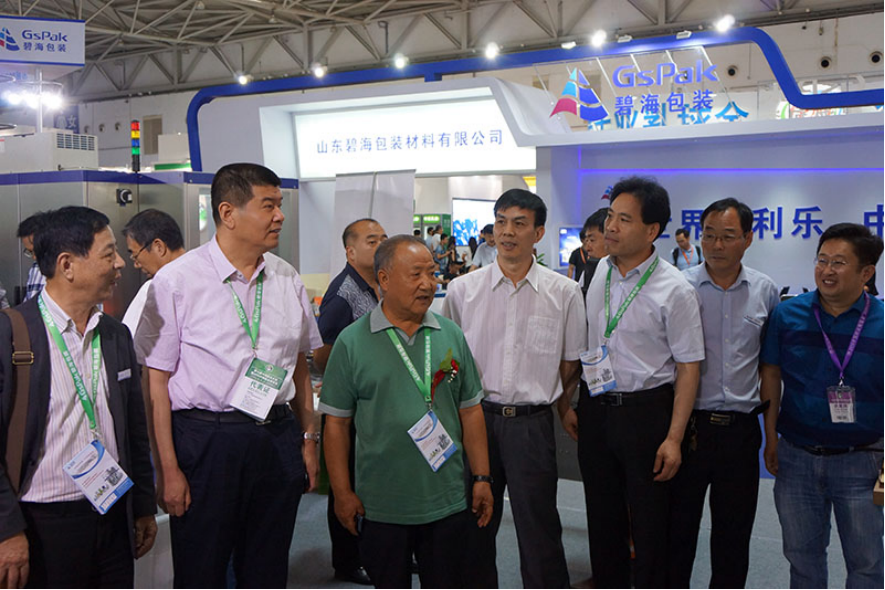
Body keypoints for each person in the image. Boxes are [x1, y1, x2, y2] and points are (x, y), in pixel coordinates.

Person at [135, 163, 322, 589]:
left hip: (275, 435)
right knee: (202, 566)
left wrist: (308, 440)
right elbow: (156, 384)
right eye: (268, 206)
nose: (280, 216)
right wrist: (168, 469)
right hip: (207, 441)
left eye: (279, 205)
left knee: (268, 565)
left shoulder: (286, 278)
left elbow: (298, 366)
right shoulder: (177, 281)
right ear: (228, 213)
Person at [320, 235, 493, 589]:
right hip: (381, 504)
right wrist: (342, 493)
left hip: (446, 501)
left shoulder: (450, 335)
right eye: (416, 274)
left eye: (431, 273)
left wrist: (482, 478)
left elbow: (471, 411)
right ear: (384, 279)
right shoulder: (352, 342)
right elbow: (336, 424)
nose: (428, 284)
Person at [0, 206, 157, 589]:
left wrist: (142, 506)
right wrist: (6, 529)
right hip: (41, 524)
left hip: (112, 512)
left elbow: (134, 429)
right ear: (67, 265)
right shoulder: (12, 336)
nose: (120, 263)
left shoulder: (115, 335)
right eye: (108, 254)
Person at [444, 189, 586, 589]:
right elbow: (448, 360)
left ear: (538, 233)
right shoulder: (462, 291)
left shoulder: (564, 292)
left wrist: (560, 405)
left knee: (538, 527)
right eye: (501, 222)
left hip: (531, 426)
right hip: (476, 420)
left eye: (519, 224)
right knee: (474, 524)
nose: (507, 232)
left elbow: (571, 361)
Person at [580, 176, 703, 589]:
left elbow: (689, 367)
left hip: (646, 414)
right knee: (602, 519)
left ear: (651, 230)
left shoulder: (675, 289)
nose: (610, 227)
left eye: (624, 219)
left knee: (651, 525)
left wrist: (674, 438)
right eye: (610, 216)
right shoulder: (600, 270)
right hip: (597, 407)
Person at [760, 223, 884, 589]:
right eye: (821, 260)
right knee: (802, 561)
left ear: (866, 272)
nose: (826, 270)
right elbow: (771, 374)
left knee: (867, 564)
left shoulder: (881, 320)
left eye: (839, 263)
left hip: (863, 458)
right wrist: (770, 437)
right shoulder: (788, 315)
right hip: (797, 456)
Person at [668, 198, 780, 589]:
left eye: (728, 236)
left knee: (733, 537)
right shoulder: (679, 287)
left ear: (748, 239)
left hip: (740, 432)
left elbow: (768, 369)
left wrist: (771, 436)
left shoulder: (765, 290)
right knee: (677, 532)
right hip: (689, 428)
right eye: (709, 235)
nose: (716, 245)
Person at [314, 218, 387, 586]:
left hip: (377, 404)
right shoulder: (343, 292)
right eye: (372, 241)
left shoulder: (381, 284)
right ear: (350, 251)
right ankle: (347, 560)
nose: (381, 245)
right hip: (349, 407)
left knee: (373, 482)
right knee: (347, 484)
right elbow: (321, 353)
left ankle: (377, 552)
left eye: (384, 239)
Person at [120, 209, 186, 337]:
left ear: (159, 247)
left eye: (135, 255)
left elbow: (131, 341)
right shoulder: (209, 275)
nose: (136, 264)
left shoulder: (156, 287)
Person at [17, 213, 48, 302]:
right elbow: (29, 300)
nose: (34, 257)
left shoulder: (65, 268)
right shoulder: (35, 267)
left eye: (36, 250)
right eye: (30, 252)